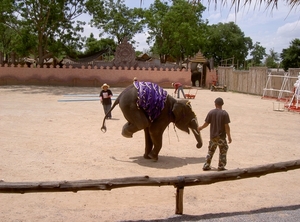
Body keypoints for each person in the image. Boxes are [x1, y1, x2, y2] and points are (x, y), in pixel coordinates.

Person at [198, 97, 232, 171]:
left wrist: (201, 127)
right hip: (221, 136)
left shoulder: (211, 112)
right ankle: (221, 166)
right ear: (222, 104)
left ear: (215, 104)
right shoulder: (224, 113)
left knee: (211, 150)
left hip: (213, 136)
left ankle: (206, 165)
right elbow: (227, 126)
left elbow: (206, 123)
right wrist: (229, 136)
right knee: (223, 150)